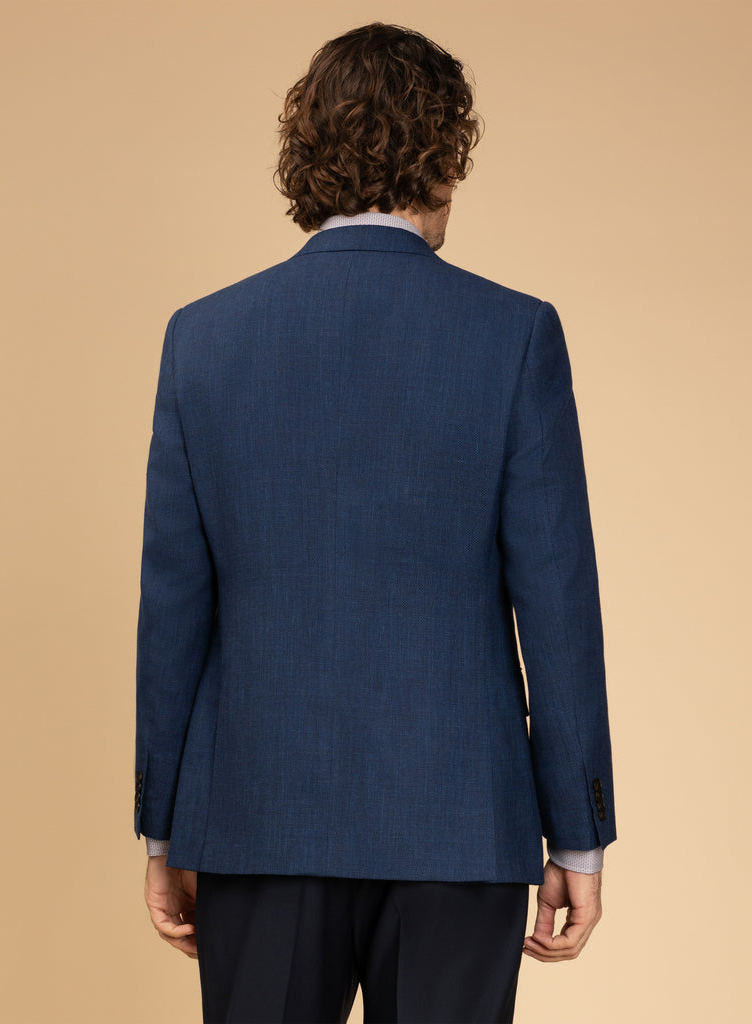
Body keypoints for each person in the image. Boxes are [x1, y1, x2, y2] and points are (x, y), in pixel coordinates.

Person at [134, 21, 616, 1023]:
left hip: (256, 823)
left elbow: (173, 605)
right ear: (441, 155)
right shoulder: (514, 334)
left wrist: (164, 829)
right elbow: (557, 602)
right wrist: (577, 835)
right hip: (459, 827)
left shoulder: (204, 341)